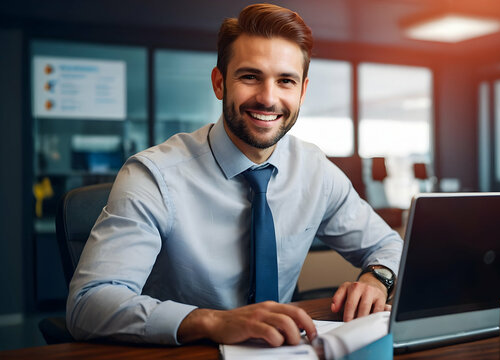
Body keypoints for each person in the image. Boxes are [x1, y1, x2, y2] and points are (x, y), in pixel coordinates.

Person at [67, 3, 402, 348]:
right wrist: (213, 321)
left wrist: (377, 279)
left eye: (285, 81)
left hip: (283, 350)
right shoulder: (154, 176)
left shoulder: (315, 169)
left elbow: (388, 245)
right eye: (250, 76)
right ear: (219, 82)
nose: (268, 98)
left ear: (301, 92)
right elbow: (88, 303)